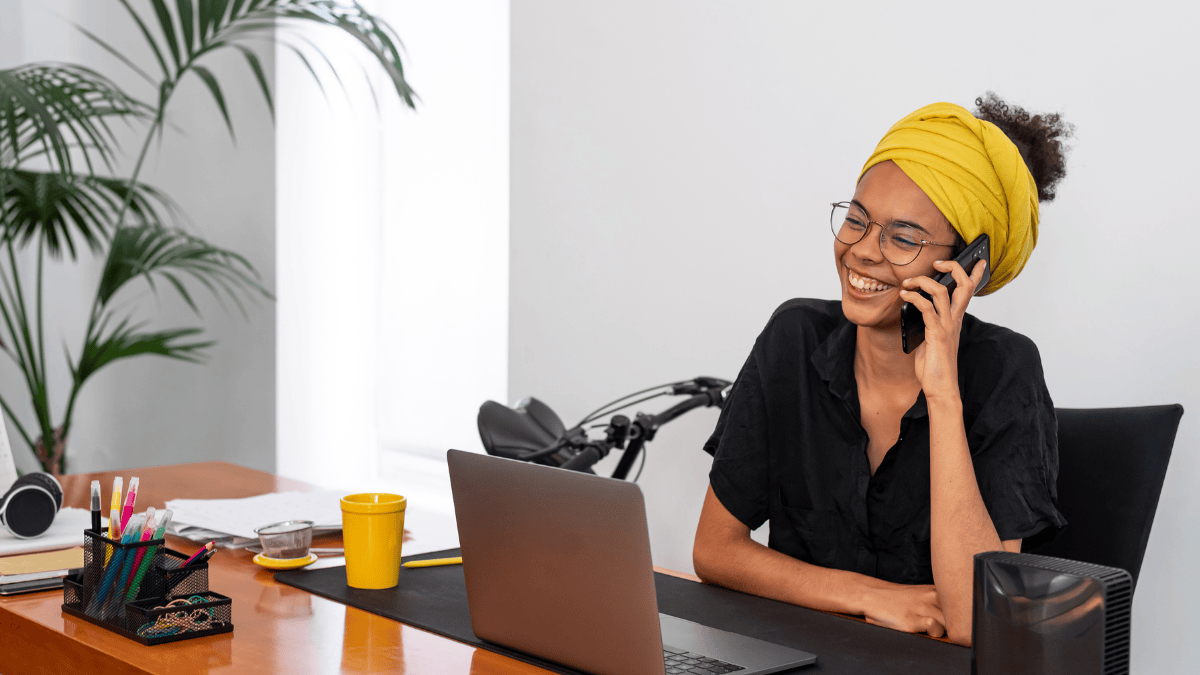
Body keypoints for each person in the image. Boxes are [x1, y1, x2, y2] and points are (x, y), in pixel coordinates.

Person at [692, 94, 1073, 646]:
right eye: (856, 219)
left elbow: (970, 622)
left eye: (902, 238)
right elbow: (714, 550)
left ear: (965, 267)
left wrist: (942, 394)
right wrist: (868, 595)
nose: (863, 252)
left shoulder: (1004, 373)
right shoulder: (793, 339)